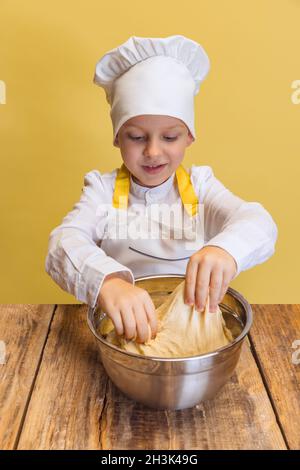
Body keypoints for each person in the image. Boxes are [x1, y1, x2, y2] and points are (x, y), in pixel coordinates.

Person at [45, 35, 278, 344]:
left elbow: (259, 222)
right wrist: (108, 283)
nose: (153, 152)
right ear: (117, 137)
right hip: (125, 329)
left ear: (189, 137)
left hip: (193, 333)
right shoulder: (102, 191)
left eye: (169, 137)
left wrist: (225, 249)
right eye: (137, 137)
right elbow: (63, 241)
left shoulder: (201, 187)